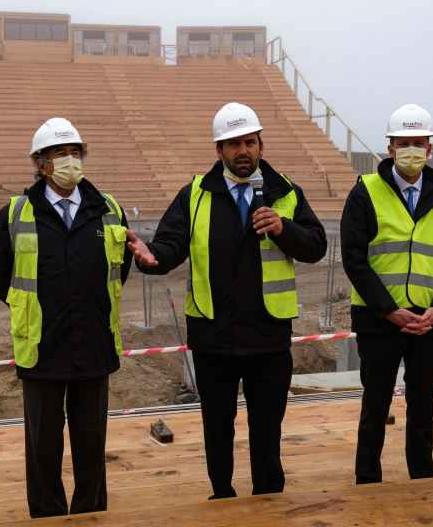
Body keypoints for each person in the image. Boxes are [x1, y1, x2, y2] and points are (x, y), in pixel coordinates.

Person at [127, 102, 327, 499]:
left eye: (249, 142)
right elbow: (169, 245)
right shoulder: (195, 195)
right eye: (233, 144)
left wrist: (284, 228)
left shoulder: (285, 192)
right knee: (217, 428)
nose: (243, 152)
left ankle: (268, 499)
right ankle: (222, 497)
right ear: (218, 150)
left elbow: (315, 245)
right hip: (213, 337)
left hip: (268, 337)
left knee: (267, 428)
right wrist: (152, 259)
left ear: (261, 145)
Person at [0, 117, 131, 518]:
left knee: (91, 446)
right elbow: (1, 278)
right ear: (41, 164)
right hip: (42, 349)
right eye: (59, 154)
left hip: (94, 346)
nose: (69, 160)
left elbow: (119, 272)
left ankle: (90, 514)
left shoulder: (109, 209)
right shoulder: (15, 214)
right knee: (43, 449)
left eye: (74, 153)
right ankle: (48, 516)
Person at [340, 103, 433, 484]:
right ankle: (368, 479)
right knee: (375, 405)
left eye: (419, 143)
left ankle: (422, 478)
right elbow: (355, 259)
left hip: (429, 322)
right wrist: (389, 310)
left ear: (429, 149)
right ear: (390, 146)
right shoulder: (365, 192)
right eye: (404, 143)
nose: (412, 150)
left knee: (423, 408)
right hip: (380, 320)